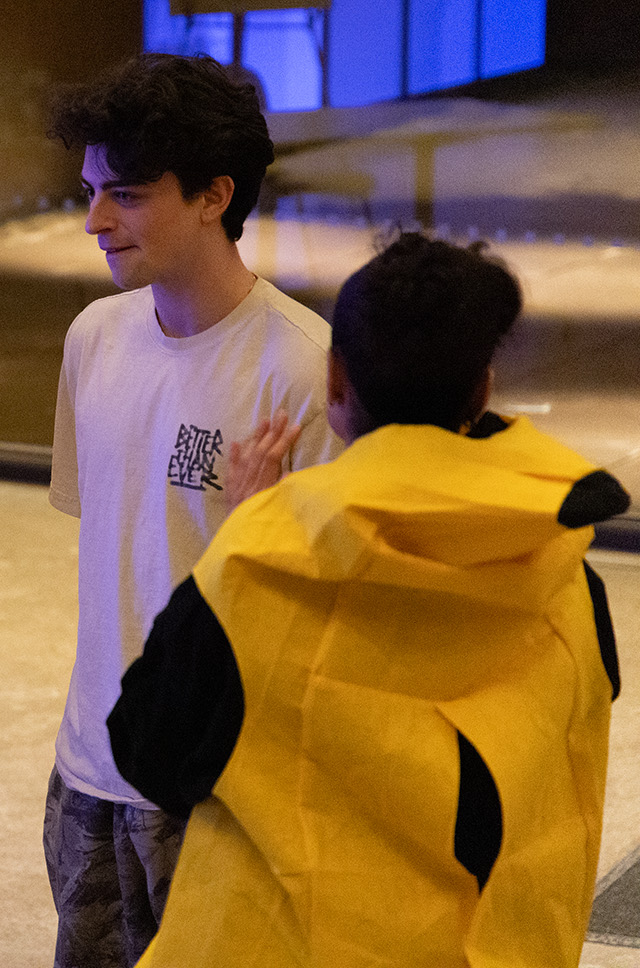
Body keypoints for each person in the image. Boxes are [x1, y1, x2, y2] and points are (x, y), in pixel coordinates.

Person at [108, 233, 629, 967]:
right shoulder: (569, 578)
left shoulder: (261, 567)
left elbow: (150, 753)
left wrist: (247, 527)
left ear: (335, 382)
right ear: (482, 389)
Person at [42, 52, 340, 968]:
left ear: (215, 195)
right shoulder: (93, 338)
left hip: (221, 785)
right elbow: (116, 547)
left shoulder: (303, 370)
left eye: (126, 195)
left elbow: (328, 616)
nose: (94, 221)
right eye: (91, 190)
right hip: (89, 768)